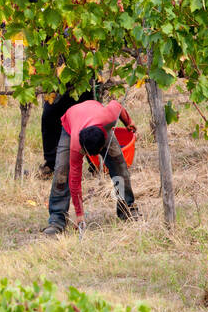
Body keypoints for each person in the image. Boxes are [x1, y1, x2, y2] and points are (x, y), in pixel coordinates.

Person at [42, 98, 137, 236]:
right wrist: (79, 214)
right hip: (71, 123)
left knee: (119, 167)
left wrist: (128, 121)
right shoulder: (76, 143)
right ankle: (57, 220)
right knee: (61, 172)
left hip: (98, 121)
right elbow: (75, 181)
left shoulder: (108, 118)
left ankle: (127, 209)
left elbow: (116, 104)